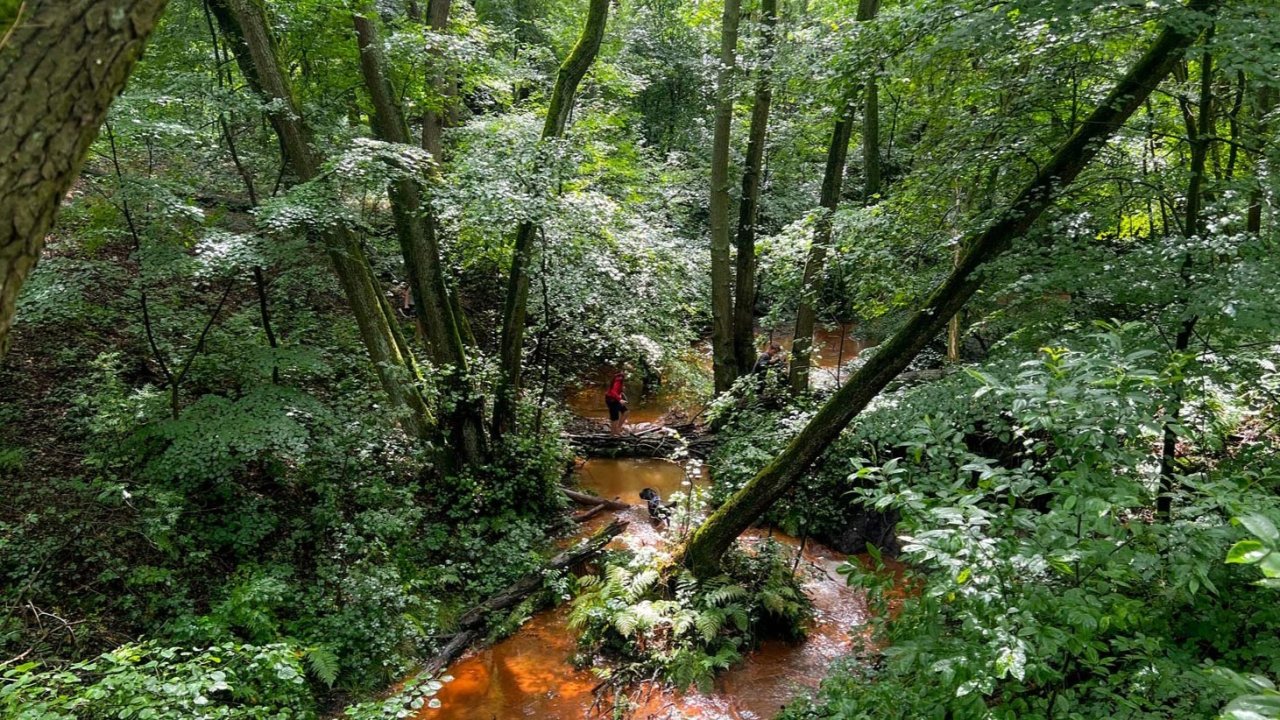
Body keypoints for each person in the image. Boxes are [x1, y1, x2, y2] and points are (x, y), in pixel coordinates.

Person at [605, 368, 629, 435]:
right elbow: (613, 391)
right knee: (615, 417)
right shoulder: (618, 379)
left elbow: (617, 391)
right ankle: (614, 432)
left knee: (625, 412)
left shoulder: (618, 379)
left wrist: (621, 396)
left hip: (614, 399)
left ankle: (617, 430)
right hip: (611, 399)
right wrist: (620, 399)